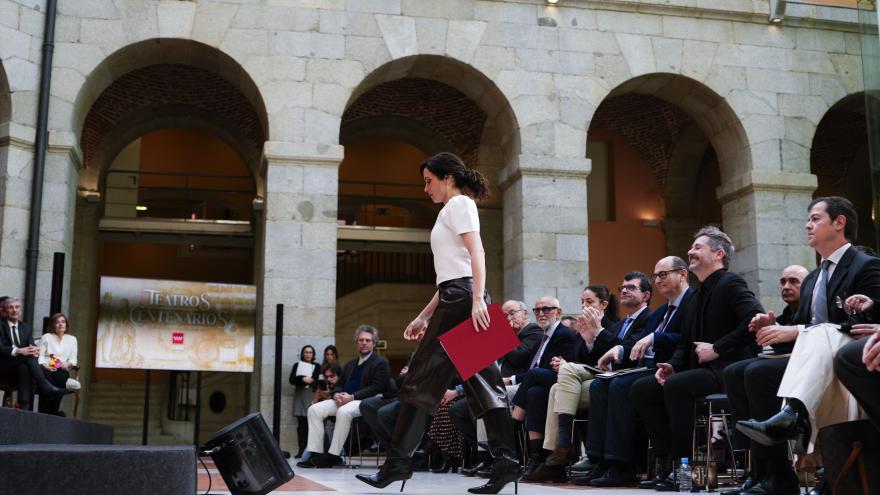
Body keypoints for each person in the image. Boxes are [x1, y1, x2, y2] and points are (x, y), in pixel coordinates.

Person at [356, 152, 522, 495]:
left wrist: (477, 299)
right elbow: (452, 273)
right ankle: (507, 463)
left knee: (418, 382)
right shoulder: (452, 209)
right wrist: (424, 314)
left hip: (463, 300)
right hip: (459, 295)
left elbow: (477, 253)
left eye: (429, 180)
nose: (425, 188)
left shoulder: (459, 204)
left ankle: (397, 465)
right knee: (487, 386)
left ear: (447, 177)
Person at [736, 197, 880, 494]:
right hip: (814, 357)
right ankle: (772, 473)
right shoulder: (814, 277)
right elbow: (801, 330)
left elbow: (871, 318)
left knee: (819, 334)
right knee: (749, 373)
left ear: (839, 223)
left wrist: (868, 306)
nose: (807, 224)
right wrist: (771, 331)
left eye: (815, 218)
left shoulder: (866, 265)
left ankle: (796, 419)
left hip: (852, 351)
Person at [630, 227, 763, 491]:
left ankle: (686, 468)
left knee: (679, 386)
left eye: (698, 247)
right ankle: (669, 462)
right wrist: (672, 366)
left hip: (728, 369)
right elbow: (684, 344)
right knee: (642, 389)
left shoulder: (731, 283)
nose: (690, 251)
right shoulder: (696, 296)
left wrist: (718, 348)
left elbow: (753, 319)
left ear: (718, 254)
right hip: (700, 372)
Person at [575, 257, 694, 487]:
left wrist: (655, 337)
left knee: (620, 385)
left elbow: (688, 339)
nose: (658, 280)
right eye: (655, 275)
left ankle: (622, 464)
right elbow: (635, 343)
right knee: (600, 385)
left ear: (682, 274)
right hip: (648, 367)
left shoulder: (691, 302)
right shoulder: (661, 312)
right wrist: (618, 348)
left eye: (663, 274)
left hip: (672, 367)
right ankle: (599, 460)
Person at [526, 276, 650, 483]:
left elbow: (625, 352)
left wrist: (597, 332)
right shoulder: (620, 324)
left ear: (603, 304)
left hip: (621, 378)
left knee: (557, 379)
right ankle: (555, 454)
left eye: (589, 302)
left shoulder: (628, 322)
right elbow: (589, 360)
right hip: (598, 377)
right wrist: (587, 341)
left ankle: (562, 451)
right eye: (582, 302)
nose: (584, 306)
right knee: (555, 388)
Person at [720, 264, 808, 495]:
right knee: (733, 372)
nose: (786, 286)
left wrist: (780, 332)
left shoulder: (813, 307)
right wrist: (767, 328)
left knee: (756, 372)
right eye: (782, 281)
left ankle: (779, 473)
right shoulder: (786, 314)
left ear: (808, 285)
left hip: (810, 366)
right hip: (788, 363)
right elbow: (780, 343)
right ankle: (757, 469)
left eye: (793, 281)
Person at [298, 325, 389, 468]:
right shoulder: (351, 364)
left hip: (365, 402)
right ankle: (316, 453)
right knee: (314, 410)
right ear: (356, 342)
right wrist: (336, 394)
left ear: (373, 343)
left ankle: (333, 455)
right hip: (344, 400)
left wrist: (352, 397)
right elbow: (339, 384)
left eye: (367, 340)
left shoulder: (381, 362)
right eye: (361, 340)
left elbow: (378, 387)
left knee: (343, 412)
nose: (364, 343)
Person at [509, 296, 579, 479]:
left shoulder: (564, 334)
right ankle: (537, 457)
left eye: (546, 309)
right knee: (534, 393)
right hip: (541, 385)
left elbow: (561, 367)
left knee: (534, 376)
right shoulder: (544, 336)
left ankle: (514, 422)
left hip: (565, 381)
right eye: (537, 310)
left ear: (558, 312)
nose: (541, 313)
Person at [0, 298, 70, 410]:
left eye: (17, 307)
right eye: (11, 307)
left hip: (20, 365)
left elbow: (32, 345)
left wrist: (35, 350)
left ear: (20, 311)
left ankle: (24, 405)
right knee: (28, 358)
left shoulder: (25, 327)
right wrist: (19, 351)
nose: (14, 310)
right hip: (4, 364)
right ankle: (45, 385)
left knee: (25, 367)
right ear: (4, 311)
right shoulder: (1, 325)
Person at [37, 313, 80, 416]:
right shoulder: (46, 337)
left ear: (66, 325)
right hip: (46, 367)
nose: (61, 324)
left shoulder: (72, 339)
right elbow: (39, 355)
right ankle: (47, 412)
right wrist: (44, 365)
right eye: (57, 322)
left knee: (60, 378)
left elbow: (73, 359)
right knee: (47, 380)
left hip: (61, 368)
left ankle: (51, 411)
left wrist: (67, 364)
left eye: (63, 322)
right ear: (53, 325)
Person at [289, 345, 321, 458]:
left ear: (313, 354)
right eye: (306, 352)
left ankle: (310, 450)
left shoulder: (317, 366)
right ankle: (301, 449)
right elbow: (292, 379)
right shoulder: (297, 365)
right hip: (300, 395)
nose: (308, 354)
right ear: (303, 354)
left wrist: (311, 380)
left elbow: (318, 379)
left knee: (311, 424)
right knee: (301, 424)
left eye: (310, 352)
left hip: (311, 395)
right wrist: (302, 379)